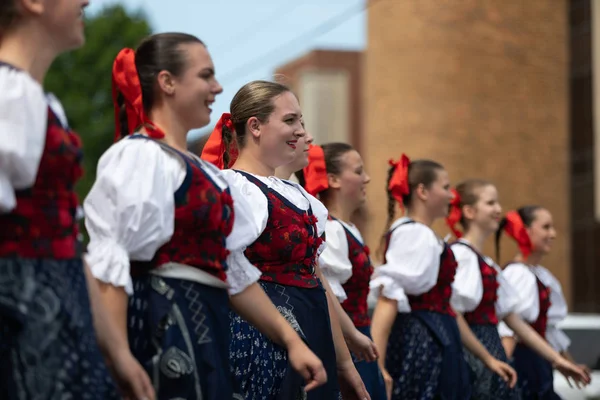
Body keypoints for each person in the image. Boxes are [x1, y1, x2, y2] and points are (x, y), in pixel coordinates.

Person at [84, 35, 326, 400]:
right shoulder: (139, 158)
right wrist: (120, 357)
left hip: (208, 329)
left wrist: (292, 341)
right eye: (206, 76)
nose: (217, 87)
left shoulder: (207, 173)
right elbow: (112, 262)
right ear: (167, 82)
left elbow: (232, 270)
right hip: (161, 324)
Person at [0, 0, 153, 398]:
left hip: (62, 318)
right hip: (20, 326)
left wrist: (117, 351)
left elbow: (68, 240)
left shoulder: (37, 101)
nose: (86, 2)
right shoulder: (6, 94)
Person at [202, 80, 369, 400]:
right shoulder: (234, 188)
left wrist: (345, 362)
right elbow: (225, 272)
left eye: (301, 121)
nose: (301, 131)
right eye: (290, 120)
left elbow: (315, 277)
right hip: (260, 338)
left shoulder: (298, 194)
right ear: (255, 126)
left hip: (314, 330)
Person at [370, 154, 516, 400]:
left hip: (438, 336)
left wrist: (487, 358)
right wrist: (378, 365)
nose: (452, 195)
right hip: (421, 340)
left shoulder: (426, 235)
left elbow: (447, 307)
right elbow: (389, 297)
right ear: (423, 192)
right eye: (446, 187)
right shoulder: (414, 234)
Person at [447, 179, 590, 399]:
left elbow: (515, 321)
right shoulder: (462, 255)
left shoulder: (486, 263)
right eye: (491, 203)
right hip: (473, 354)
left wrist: (560, 361)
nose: (499, 209)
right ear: (469, 211)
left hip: (491, 354)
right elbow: (454, 312)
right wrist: (489, 358)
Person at [297, 143, 387, 399]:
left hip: (358, 340)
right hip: (346, 345)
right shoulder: (332, 230)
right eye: (359, 171)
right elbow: (328, 295)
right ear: (333, 179)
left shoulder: (345, 228)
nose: (366, 178)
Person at [495, 206, 592, 399]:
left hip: (539, 365)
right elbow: (510, 329)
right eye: (546, 227)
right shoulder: (517, 274)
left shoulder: (539, 274)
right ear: (526, 231)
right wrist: (500, 377)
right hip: (523, 365)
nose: (553, 234)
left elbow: (548, 329)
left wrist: (568, 364)